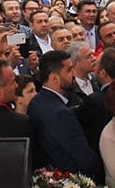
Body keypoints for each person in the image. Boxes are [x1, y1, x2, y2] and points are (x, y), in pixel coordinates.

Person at [27, 50, 101, 179]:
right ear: (54, 78)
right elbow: (81, 155)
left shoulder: (36, 101)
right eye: (69, 70)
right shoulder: (59, 113)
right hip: (69, 181)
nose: (73, 74)